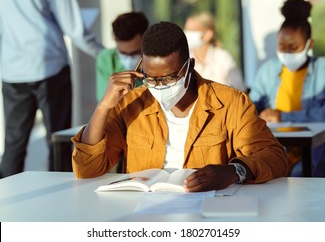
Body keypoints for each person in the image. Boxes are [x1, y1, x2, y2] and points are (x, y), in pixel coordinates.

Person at [71, 21, 287, 192]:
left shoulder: (230, 103)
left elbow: (274, 157)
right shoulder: (131, 104)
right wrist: (104, 106)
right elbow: (86, 168)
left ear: (189, 66)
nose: (158, 87)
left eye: (168, 78)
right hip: (144, 215)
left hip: (206, 212)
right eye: (150, 78)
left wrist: (234, 171)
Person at [0, 0, 104, 177]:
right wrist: (103, 54)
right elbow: (73, 25)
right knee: (58, 144)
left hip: (12, 71)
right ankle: (60, 204)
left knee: (13, 147)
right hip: (50, 67)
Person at [249, 0, 325, 177]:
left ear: (309, 44)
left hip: (315, 152)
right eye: (282, 46)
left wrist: (282, 115)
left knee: (300, 175)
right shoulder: (267, 71)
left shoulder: (322, 69)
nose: (287, 52)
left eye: (294, 47)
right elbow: (251, 108)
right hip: (274, 147)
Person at [184, 11, 246, 92]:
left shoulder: (223, 58)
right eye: (186, 29)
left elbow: (240, 91)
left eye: (192, 30)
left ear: (208, 34)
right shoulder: (185, 60)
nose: (187, 34)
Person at [96, 12, 149, 102]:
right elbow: (105, 101)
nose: (129, 59)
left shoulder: (157, 60)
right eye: (123, 53)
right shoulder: (106, 59)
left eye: (134, 53)